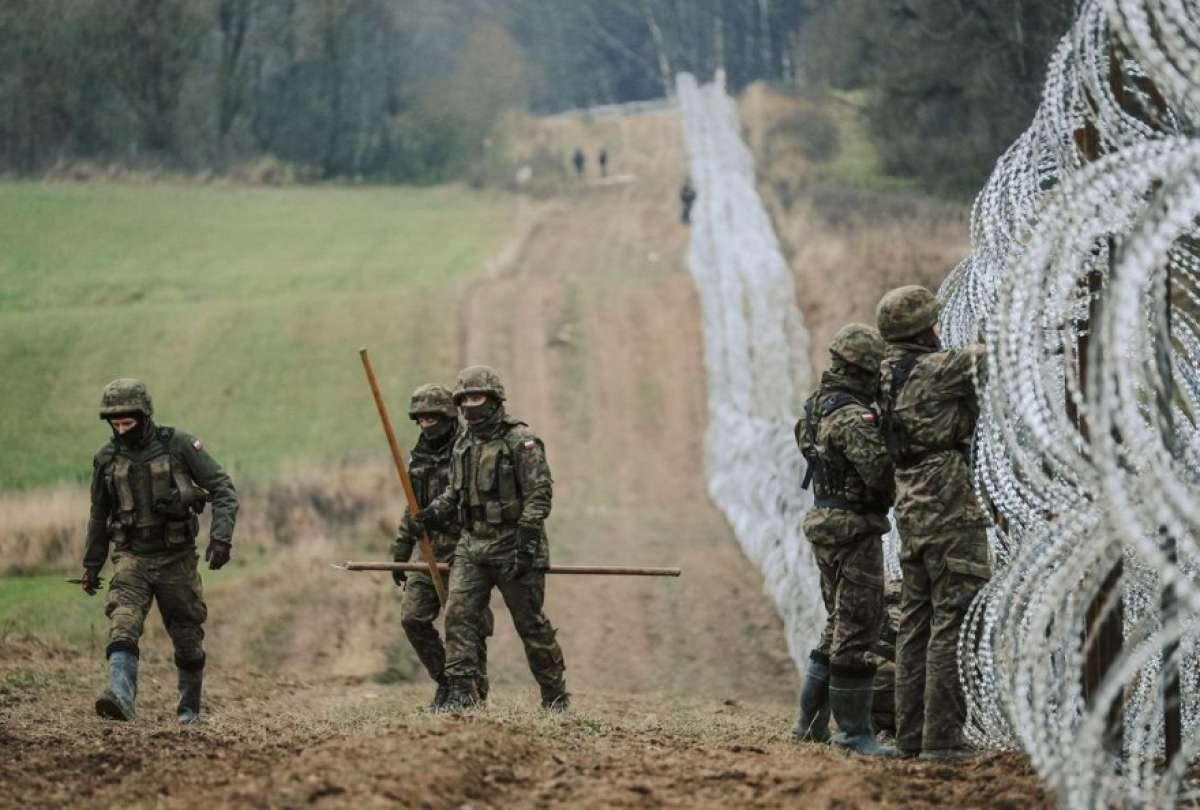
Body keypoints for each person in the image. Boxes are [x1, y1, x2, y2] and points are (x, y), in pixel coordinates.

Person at [875, 285, 991, 761]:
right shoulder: (936, 370)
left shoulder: (887, 373)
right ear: (924, 329)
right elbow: (993, 356)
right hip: (947, 505)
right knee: (953, 621)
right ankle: (942, 740)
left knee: (917, 624)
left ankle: (910, 736)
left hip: (911, 508)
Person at [79, 378, 238, 724]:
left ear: (145, 415)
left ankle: (189, 711)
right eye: (115, 424)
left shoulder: (178, 445)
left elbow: (223, 489)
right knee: (123, 622)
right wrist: (91, 564)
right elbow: (98, 515)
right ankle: (120, 696)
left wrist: (221, 538)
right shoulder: (106, 459)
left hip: (176, 558)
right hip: (131, 556)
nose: (122, 430)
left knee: (187, 638)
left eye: (128, 423)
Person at [413, 366, 568, 712]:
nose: (470, 405)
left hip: (514, 546)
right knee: (458, 617)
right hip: (472, 546)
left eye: (477, 397)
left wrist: (526, 546)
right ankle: (462, 695)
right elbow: (454, 492)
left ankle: (555, 696)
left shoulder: (521, 441)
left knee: (530, 625)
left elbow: (539, 496)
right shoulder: (463, 444)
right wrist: (429, 514)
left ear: (495, 399)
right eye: (464, 399)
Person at [794, 324, 896, 757]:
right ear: (862, 369)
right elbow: (880, 475)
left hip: (825, 522)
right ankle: (854, 733)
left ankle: (809, 723)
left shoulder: (817, 406)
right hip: (853, 528)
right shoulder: (853, 416)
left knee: (837, 622)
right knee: (859, 627)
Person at [392, 384, 493, 708]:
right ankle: (447, 682)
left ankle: (472, 688)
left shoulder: (470, 450)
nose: (425, 423)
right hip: (429, 548)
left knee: (464, 622)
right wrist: (402, 548)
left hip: (467, 547)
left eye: (431, 417)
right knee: (413, 617)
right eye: (419, 418)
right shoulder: (417, 457)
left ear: (448, 417)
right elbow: (413, 505)